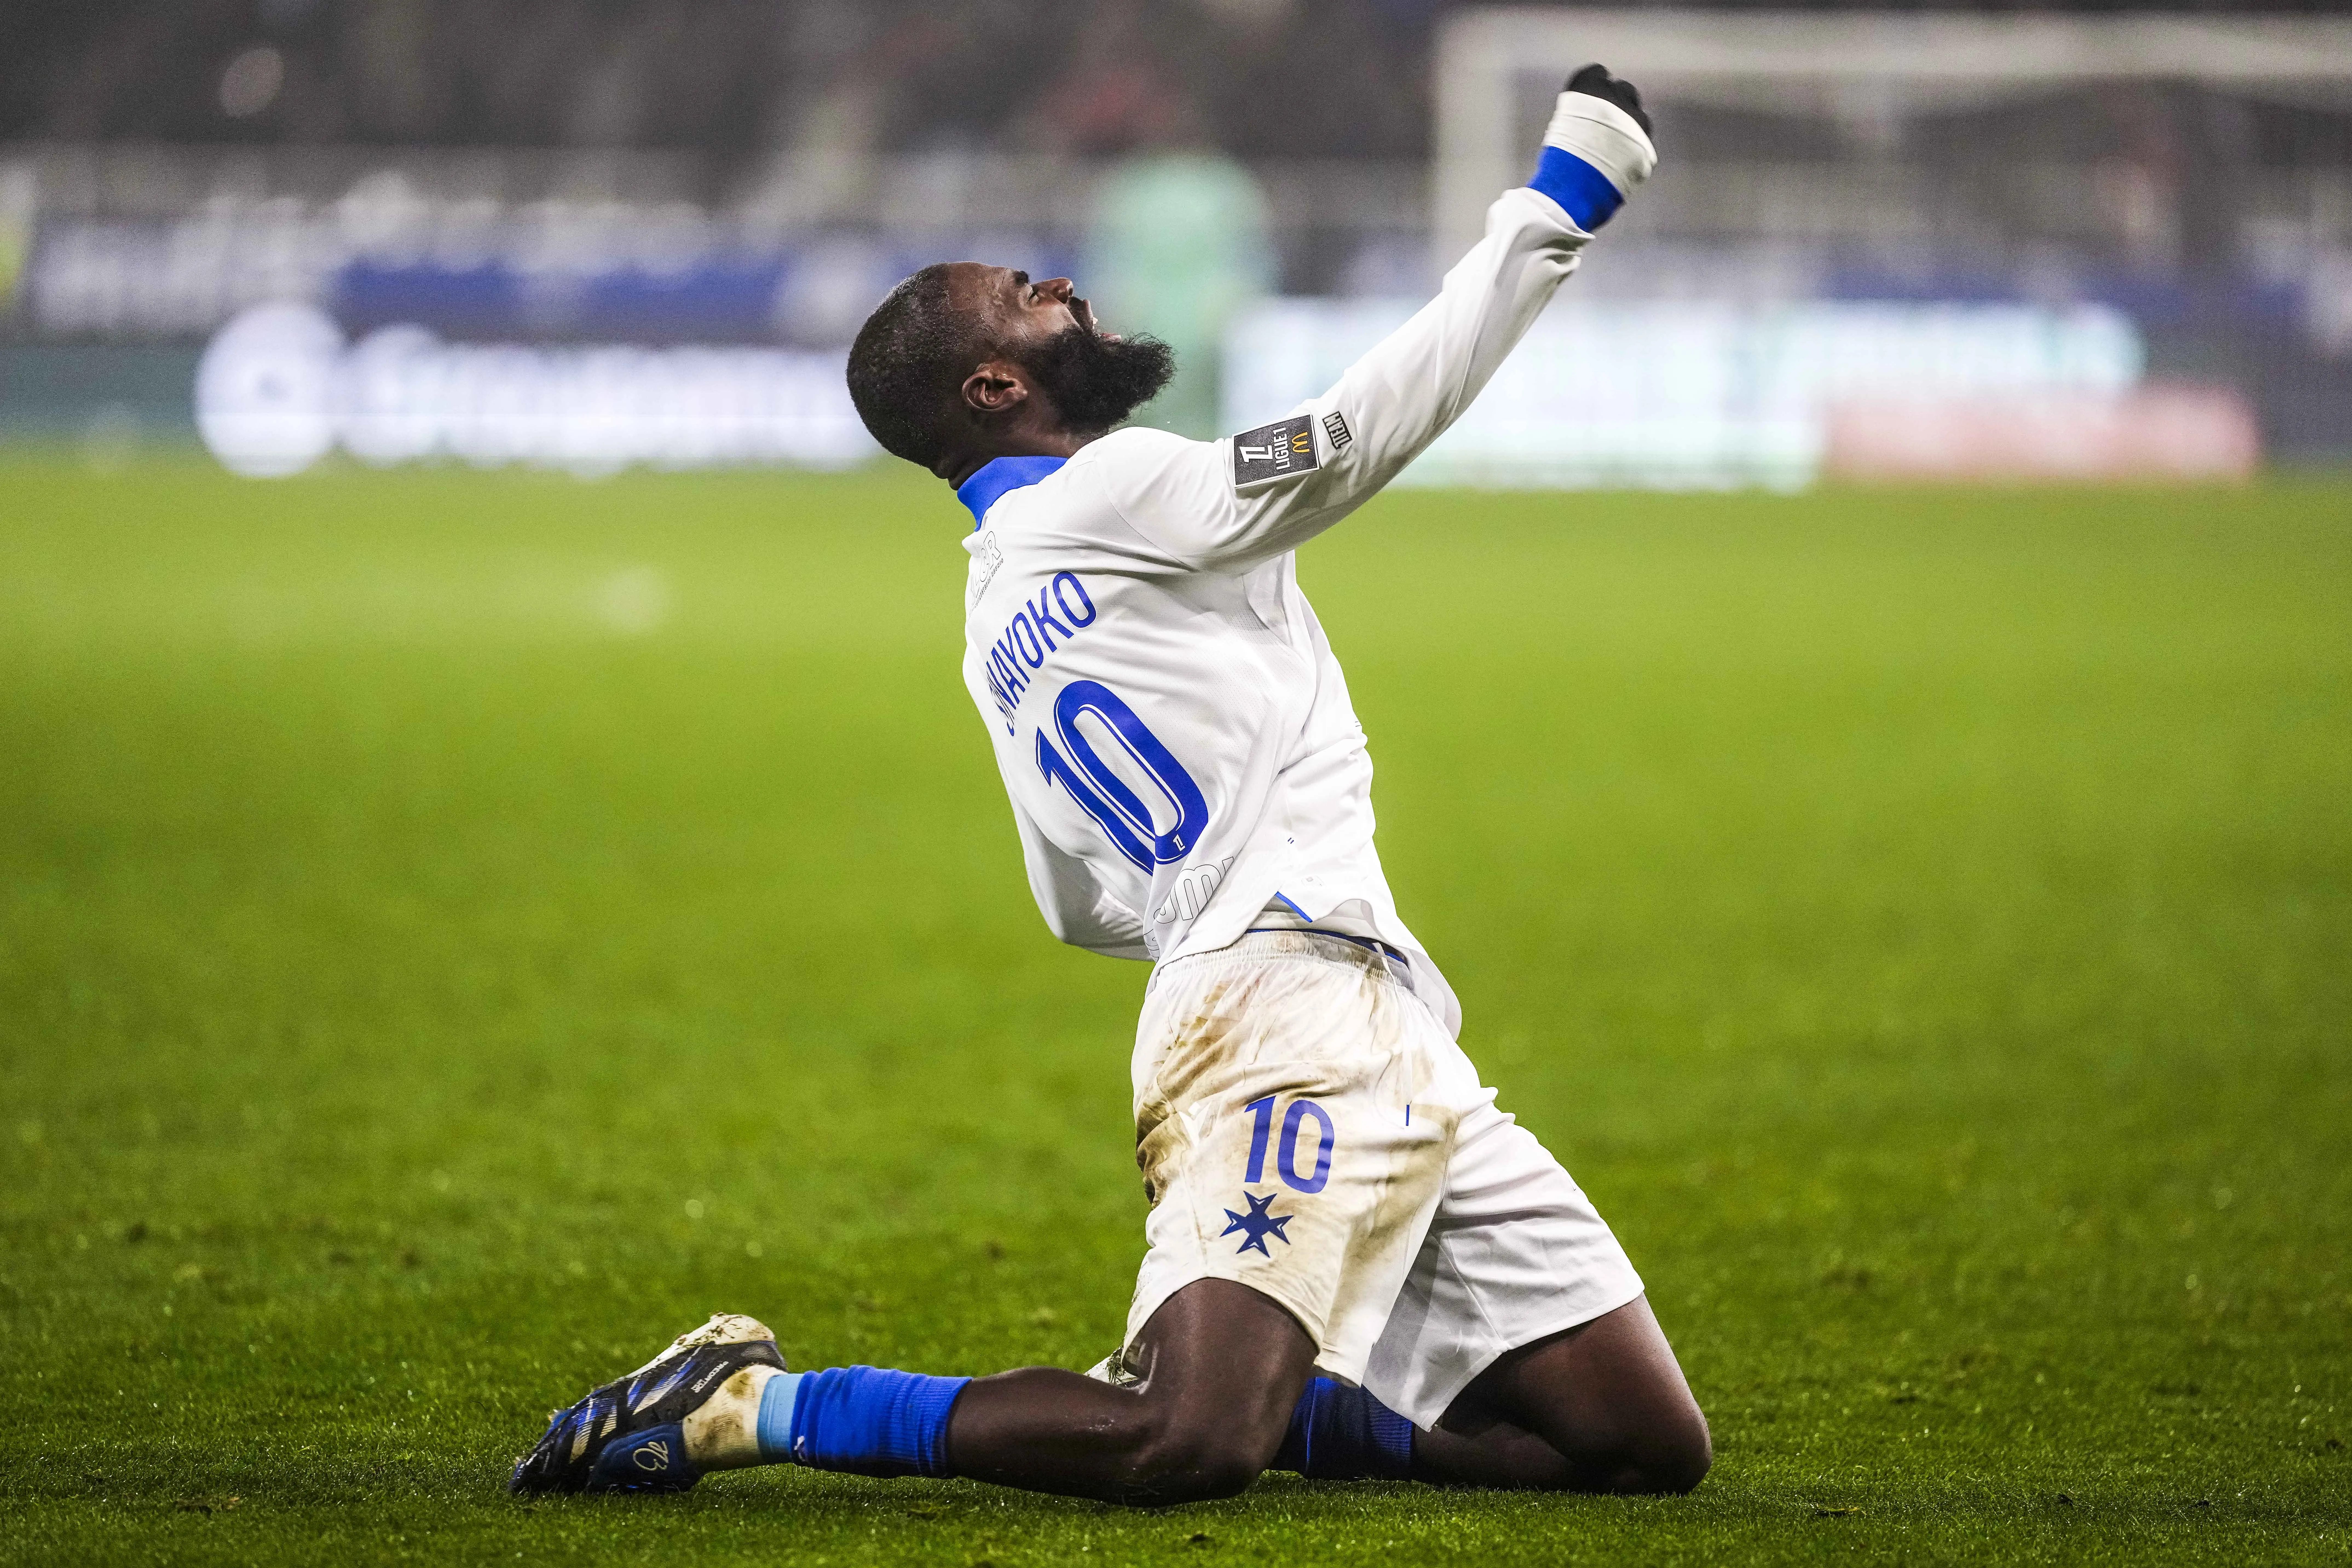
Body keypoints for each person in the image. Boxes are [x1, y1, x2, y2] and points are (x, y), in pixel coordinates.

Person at [511, 64, 1709, 1507]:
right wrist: (1563, 198)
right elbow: (1351, 439)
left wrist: (1200, 914)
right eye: (1028, 292)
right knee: (1180, 1441)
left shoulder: (999, 606)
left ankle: (1294, 1402)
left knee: (1640, 1443)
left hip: (1363, 1017)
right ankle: (755, 1409)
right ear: (995, 383)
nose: (1067, 285)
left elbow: (1070, 897)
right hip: (1288, 1017)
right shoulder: (1112, 490)